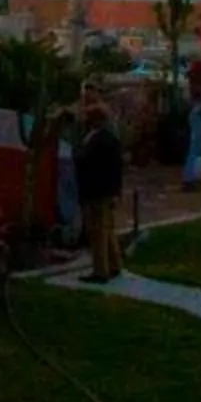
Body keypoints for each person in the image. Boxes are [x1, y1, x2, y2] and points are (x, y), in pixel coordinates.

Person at [76, 100, 126, 282]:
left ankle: (100, 270)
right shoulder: (111, 139)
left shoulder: (96, 141)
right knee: (108, 229)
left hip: (96, 190)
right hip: (107, 190)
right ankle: (114, 263)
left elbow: (85, 162)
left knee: (97, 231)